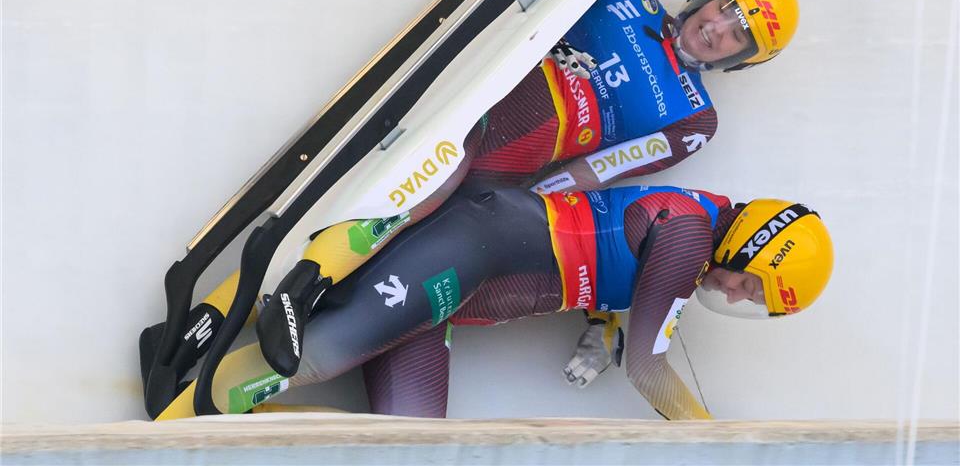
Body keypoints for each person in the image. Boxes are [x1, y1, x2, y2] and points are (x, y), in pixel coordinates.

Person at [163, 0, 801, 384]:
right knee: (426, 185)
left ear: (741, 61)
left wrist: (524, 211)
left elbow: (599, 170)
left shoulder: (695, 118)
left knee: (432, 257)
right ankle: (253, 304)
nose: (718, 28)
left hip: (508, 174)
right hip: (473, 114)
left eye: (739, 35)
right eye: (724, 7)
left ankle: (281, 326)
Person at [156, 183, 832, 421]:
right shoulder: (689, 237)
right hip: (470, 248)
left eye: (753, 300)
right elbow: (649, 368)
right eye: (752, 284)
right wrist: (709, 436)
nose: (737, 294)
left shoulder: (694, 230)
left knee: (410, 445)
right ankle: (176, 418)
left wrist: (602, 327)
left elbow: (618, 268)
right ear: (752, 244)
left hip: (453, 298)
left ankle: (192, 374)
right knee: (318, 357)